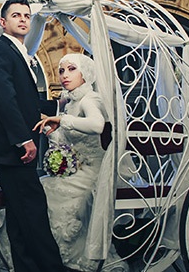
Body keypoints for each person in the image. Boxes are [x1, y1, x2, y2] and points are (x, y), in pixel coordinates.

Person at [0, 0, 66, 272]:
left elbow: (23, 100)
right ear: (3, 22)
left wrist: (52, 113)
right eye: (16, 15)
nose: (23, 19)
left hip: (14, 147)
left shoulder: (17, 52)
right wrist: (23, 139)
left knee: (19, 216)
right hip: (11, 148)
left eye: (27, 15)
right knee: (33, 210)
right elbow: (4, 98)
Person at [34, 54, 128, 272]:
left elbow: (96, 126)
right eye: (61, 70)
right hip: (80, 168)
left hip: (95, 169)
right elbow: (69, 139)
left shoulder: (90, 99)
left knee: (51, 189)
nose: (65, 75)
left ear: (85, 73)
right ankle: (54, 253)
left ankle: (79, 256)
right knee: (44, 185)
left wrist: (61, 120)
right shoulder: (72, 102)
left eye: (72, 69)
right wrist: (51, 130)